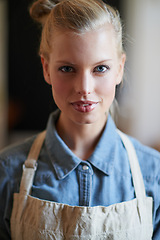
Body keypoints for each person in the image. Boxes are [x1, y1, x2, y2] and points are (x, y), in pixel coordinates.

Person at [0, 0, 160, 239]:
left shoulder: (154, 172)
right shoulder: (7, 171)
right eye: (67, 69)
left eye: (100, 68)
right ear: (46, 69)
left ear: (119, 68)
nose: (84, 88)